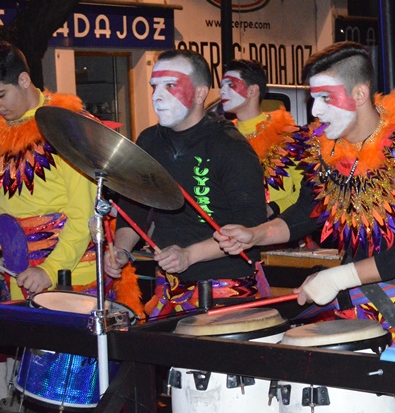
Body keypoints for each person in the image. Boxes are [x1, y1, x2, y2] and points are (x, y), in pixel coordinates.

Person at [215, 42, 395, 413]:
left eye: (324, 98)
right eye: (313, 99)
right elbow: (303, 215)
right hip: (352, 309)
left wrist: (338, 277)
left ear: (360, 94)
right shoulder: (322, 149)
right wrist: (255, 234)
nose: (314, 112)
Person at [104, 49, 268, 318]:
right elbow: (135, 211)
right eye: (154, 86)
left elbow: (252, 228)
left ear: (201, 93)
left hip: (224, 289)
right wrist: (121, 250)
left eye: (170, 85)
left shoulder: (230, 146)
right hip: (168, 286)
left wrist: (189, 255)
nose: (157, 96)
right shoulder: (148, 141)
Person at [0, 41, 139, 307]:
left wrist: (50, 269)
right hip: (17, 274)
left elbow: (85, 214)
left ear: (24, 80)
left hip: (71, 276)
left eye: (1, 95)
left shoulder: (67, 126)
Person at [220, 59, 302, 218]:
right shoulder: (222, 135)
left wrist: (273, 208)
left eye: (231, 85)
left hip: (279, 233)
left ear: (252, 91)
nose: (222, 91)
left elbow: (304, 193)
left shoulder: (285, 133)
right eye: (222, 85)